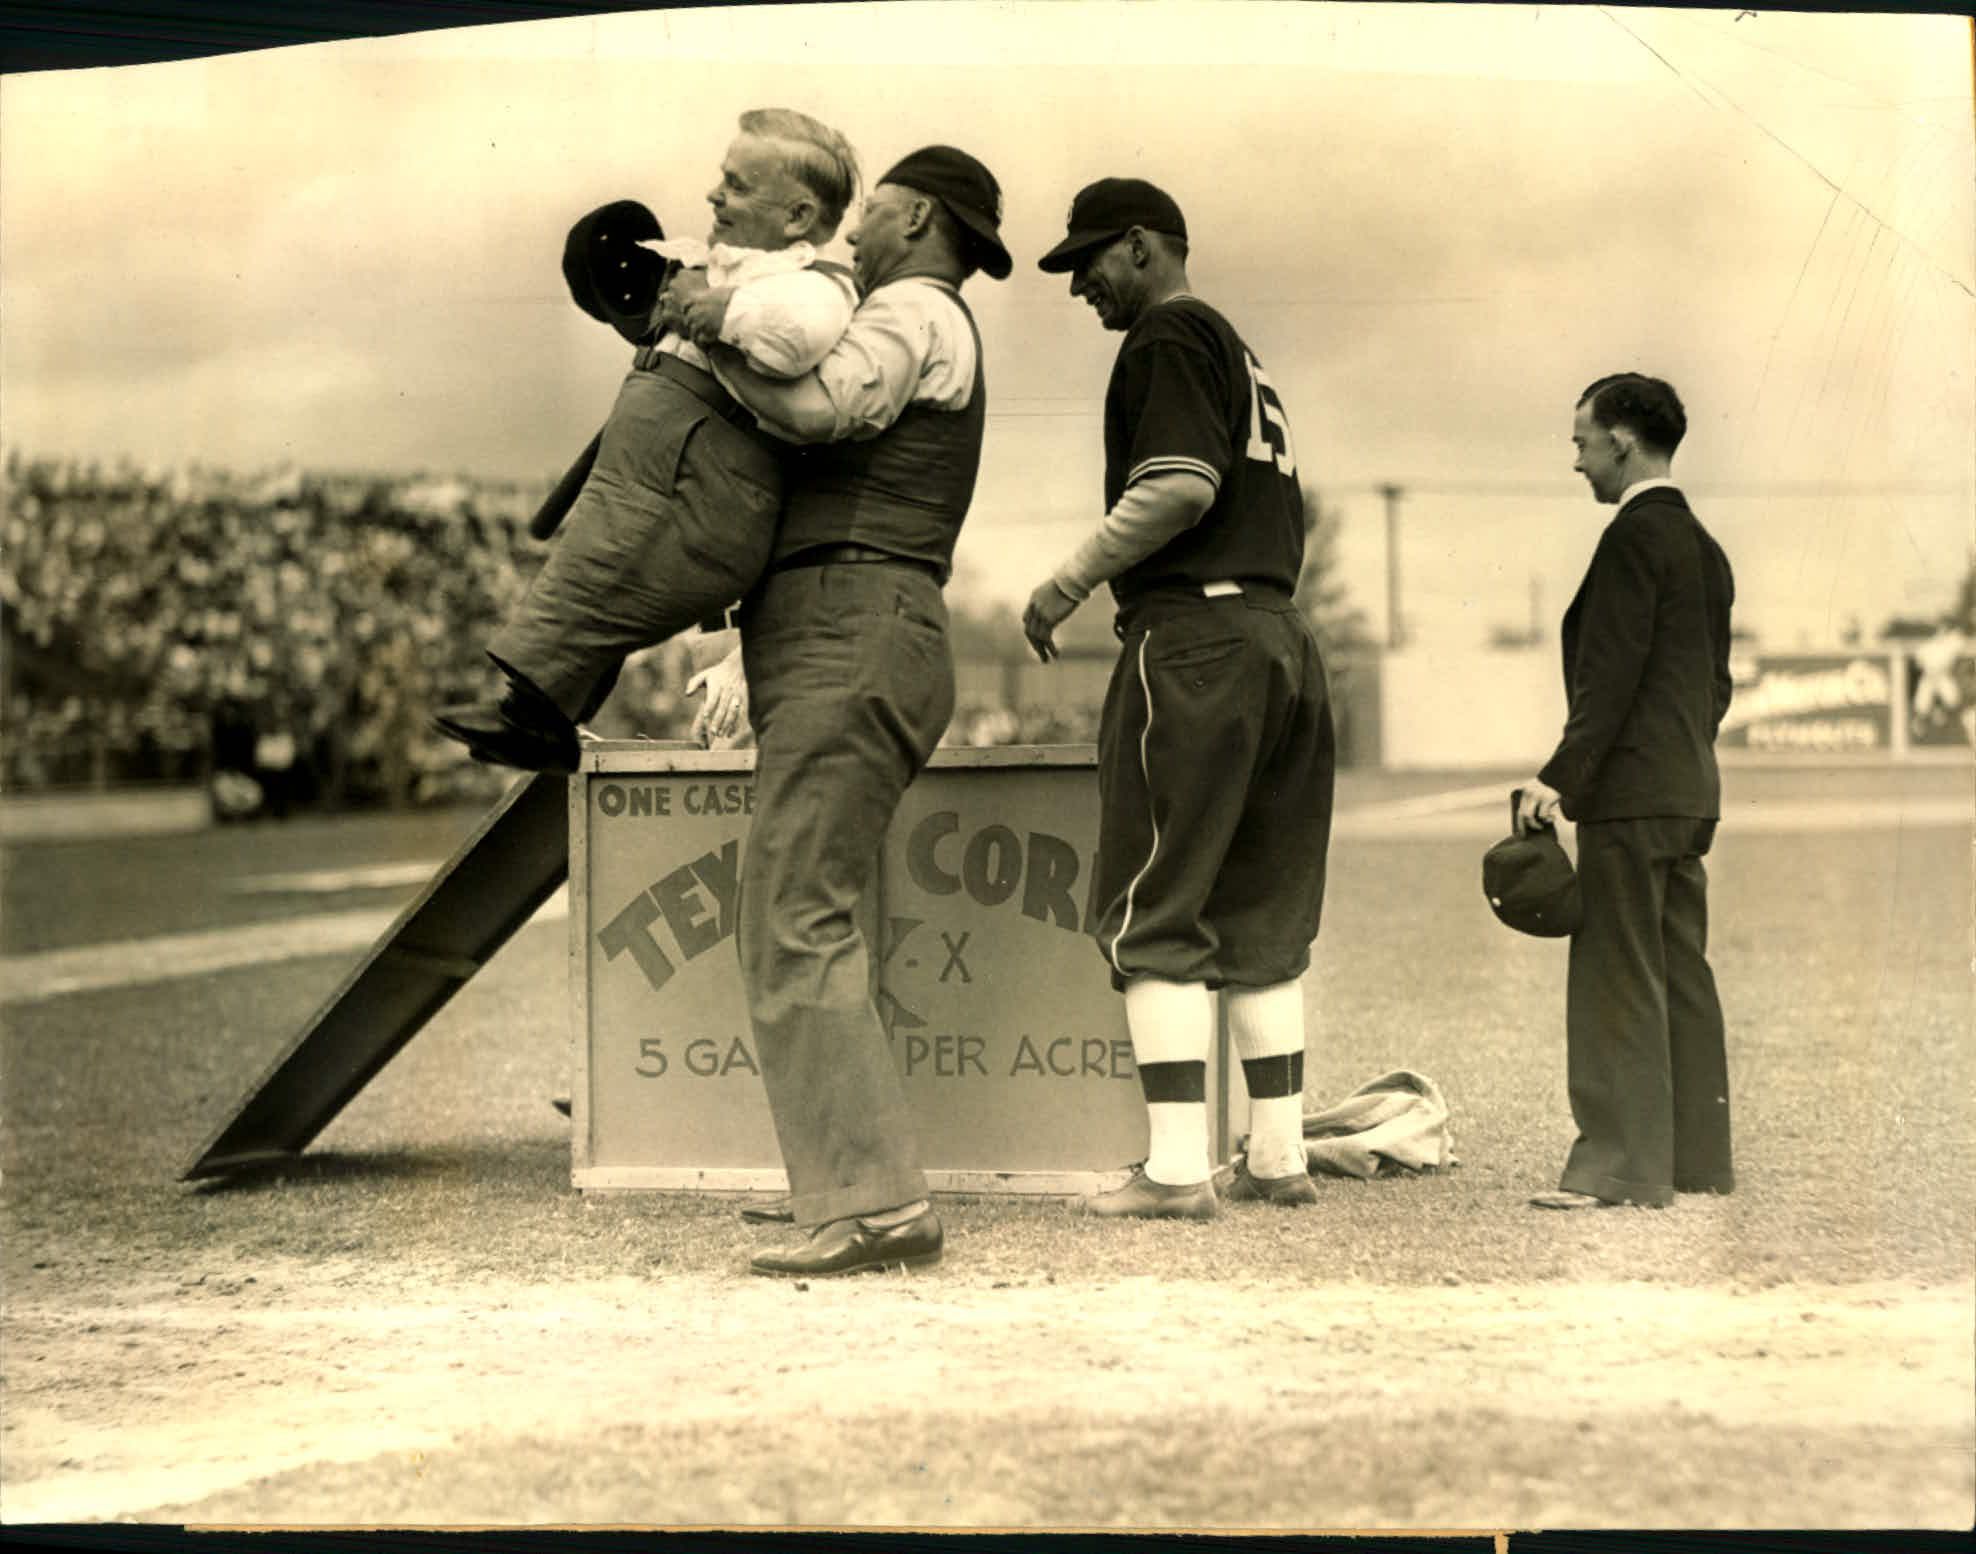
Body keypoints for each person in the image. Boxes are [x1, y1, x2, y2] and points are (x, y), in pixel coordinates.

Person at [685, 145, 1010, 1276]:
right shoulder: (928, 311)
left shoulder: (914, 306)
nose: (850, 234)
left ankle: (873, 1208)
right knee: (817, 913)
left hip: (852, 622)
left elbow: (821, 405)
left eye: (868, 212)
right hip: (854, 623)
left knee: (788, 915)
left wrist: (705, 323)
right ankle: (847, 1180)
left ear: (914, 218)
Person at [1021, 178, 1335, 1219]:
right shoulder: (1235, 346)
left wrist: (1063, 583)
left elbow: (1178, 487)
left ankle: (1172, 1171)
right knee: (1258, 911)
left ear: (1143, 245)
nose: (1081, 289)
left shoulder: (1165, 336)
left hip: (1195, 637)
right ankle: (1278, 1156)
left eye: (1090, 263)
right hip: (1281, 637)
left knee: (1152, 905)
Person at [434, 108, 861, 772]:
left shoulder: (813, 289)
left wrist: (712, 309)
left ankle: (536, 715)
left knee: (597, 582)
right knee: (588, 584)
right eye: (723, 179)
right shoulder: (720, 268)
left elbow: (793, 339)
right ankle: (537, 714)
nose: (716, 195)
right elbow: (633, 290)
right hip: (663, 467)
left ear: (798, 218)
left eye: (740, 185)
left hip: (694, 480)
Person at [1517, 373, 1736, 1210]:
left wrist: (1557, 778)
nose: (1575, 461)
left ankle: (1620, 1166)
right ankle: (1695, 1161)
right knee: (1680, 967)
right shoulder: (1704, 548)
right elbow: (1714, 686)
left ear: (1621, 440)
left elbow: (1608, 681)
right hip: (1688, 793)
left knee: (1618, 970)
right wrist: (1678, 759)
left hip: (1632, 797)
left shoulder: (1632, 541)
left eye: (1580, 442)